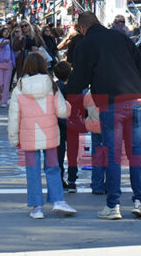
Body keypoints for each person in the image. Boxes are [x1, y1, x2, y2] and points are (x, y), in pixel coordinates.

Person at [64, 12, 141, 220]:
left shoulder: (87, 44)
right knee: (136, 152)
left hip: (111, 103)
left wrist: (66, 96)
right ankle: (140, 202)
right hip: (135, 99)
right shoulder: (121, 37)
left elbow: (79, 79)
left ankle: (113, 205)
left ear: (82, 28)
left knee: (113, 155)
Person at [8, 53, 76, 219]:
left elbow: (14, 117)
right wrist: (68, 105)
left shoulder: (19, 88)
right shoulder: (51, 86)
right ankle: (58, 200)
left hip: (28, 136)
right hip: (49, 135)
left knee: (32, 170)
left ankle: (37, 207)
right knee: (53, 167)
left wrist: (14, 138)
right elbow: (62, 112)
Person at [53, 61, 86, 193]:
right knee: (73, 154)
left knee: (59, 154)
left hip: (58, 123)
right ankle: (72, 180)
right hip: (73, 124)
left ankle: (59, 178)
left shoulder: (54, 88)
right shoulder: (76, 88)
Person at [0, 27, 15, 108]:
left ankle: (4, 100)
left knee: (6, 84)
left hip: (8, 64)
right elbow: (0, 45)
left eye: (7, 32)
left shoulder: (11, 42)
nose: (6, 33)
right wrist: (5, 41)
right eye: (4, 32)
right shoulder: (0, 40)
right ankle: (0, 95)